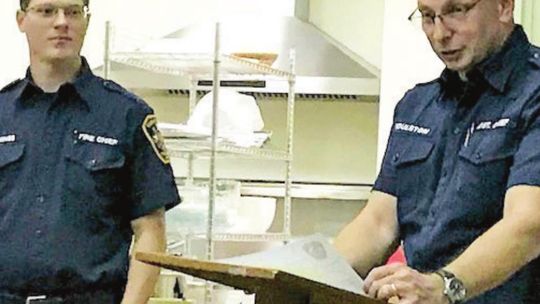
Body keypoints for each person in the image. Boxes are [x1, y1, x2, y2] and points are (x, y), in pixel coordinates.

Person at [334, 0, 540, 303]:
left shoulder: (533, 93)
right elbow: (378, 223)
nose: (440, 33)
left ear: (504, 6)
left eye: (457, 10)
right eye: (428, 17)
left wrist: (443, 287)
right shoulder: (417, 106)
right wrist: (309, 272)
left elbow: (529, 223)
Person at [0, 0, 181, 303]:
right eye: (47, 11)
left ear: (87, 21)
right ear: (21, 20)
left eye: (73, 12)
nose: (61, 22)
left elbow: (150, 230)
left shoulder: (125, 116)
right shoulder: (2, 112)